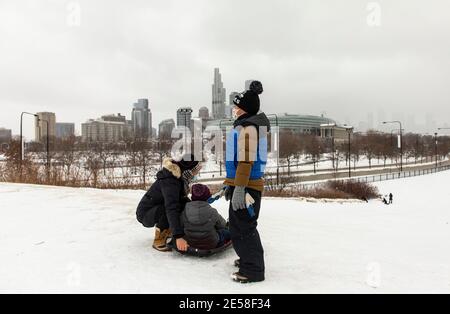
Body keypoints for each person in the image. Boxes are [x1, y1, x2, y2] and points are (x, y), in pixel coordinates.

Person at [224, 80, 270, 283]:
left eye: (236, 106)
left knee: (244, 227)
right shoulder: (246, 127)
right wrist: (230, 183)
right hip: (243, 184)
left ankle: (252, 269)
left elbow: (245, 161)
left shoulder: (249, 128)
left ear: (244, 109)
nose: (234, 110)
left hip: (248, 186)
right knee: (238, 225)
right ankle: (247, 258)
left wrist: (240, 188)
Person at [136, 154, 201, 252]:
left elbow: (182, 199)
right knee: (172, 209)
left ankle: (170, 229)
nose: (196, 174)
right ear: (188, 171)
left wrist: (196, 207)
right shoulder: (170, 181)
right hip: (145, 214)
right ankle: (159, 239)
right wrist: (178, 236)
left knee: (183, 205)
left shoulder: (178, 177)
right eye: (195, 171)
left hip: (156, 208)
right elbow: (172, 207)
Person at [181, 184, 231, 250]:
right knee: (226, 232)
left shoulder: (185, 210)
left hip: (190, 242)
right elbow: (223, 225)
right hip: (211, 243)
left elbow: (181, 225)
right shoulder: (212, 211)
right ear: (206, 197)